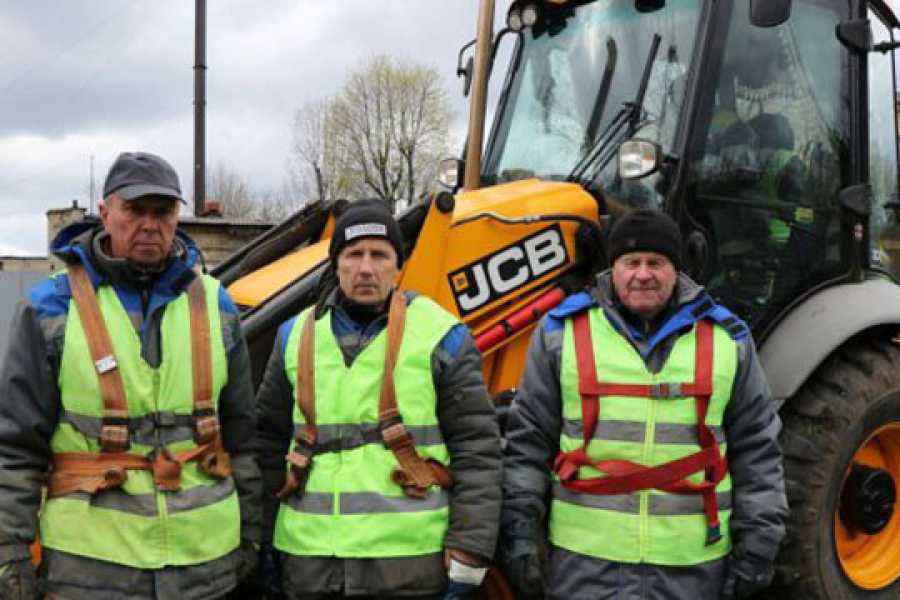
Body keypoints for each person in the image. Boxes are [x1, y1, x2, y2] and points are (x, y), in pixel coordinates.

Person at [0, 152, 261, 599]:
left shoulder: (216, 306)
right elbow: (15, 446)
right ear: (105, 214)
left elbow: (242, 437)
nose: (149, 224)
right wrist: (10, 550)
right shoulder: (50, 310)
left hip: (206, 566)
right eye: (135, 210)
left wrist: (251, 535)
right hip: (92, 572)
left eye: (162, 211)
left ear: (177, 217)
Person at [500, 209, 787, 600]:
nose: (643, 274)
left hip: (691, 566)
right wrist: (519, 530)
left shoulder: (728, 339)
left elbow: (757, 448)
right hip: (585, 566)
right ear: (613, 269)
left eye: (656, 263)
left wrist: (759, 542)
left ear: (676, 270)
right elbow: (528, 442)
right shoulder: (560, 333)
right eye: (631, 262)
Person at [256, 199, 502, 599]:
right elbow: (266, 444)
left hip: (408, 565)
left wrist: (470, 548)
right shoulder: (294, 336)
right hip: (309, 564)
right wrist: (261, 539)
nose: (366, 268)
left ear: (398, 266)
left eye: (380, 255)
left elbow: (477, 450)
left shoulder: (442, 336)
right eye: (354, 254)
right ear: (336, 264)